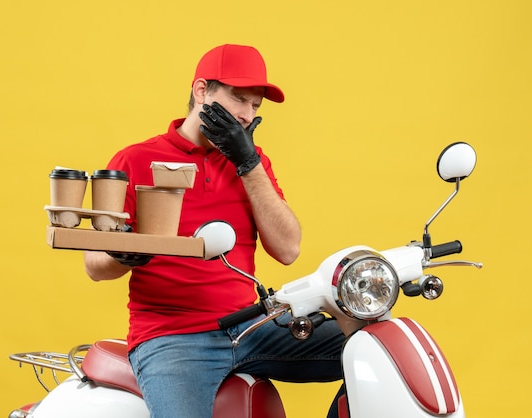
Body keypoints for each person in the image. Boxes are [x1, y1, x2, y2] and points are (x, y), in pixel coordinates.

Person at [84, 44, 346, 418]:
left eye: (255, 106)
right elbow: (94, 264)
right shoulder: (134, 160)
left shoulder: (253, 164)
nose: (245, 115)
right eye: (238, 99)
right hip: (173, 337)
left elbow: (288, 248)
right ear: (201, 91)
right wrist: (123, 253)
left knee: (373, 348)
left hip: (252, 325)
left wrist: (247, 161)